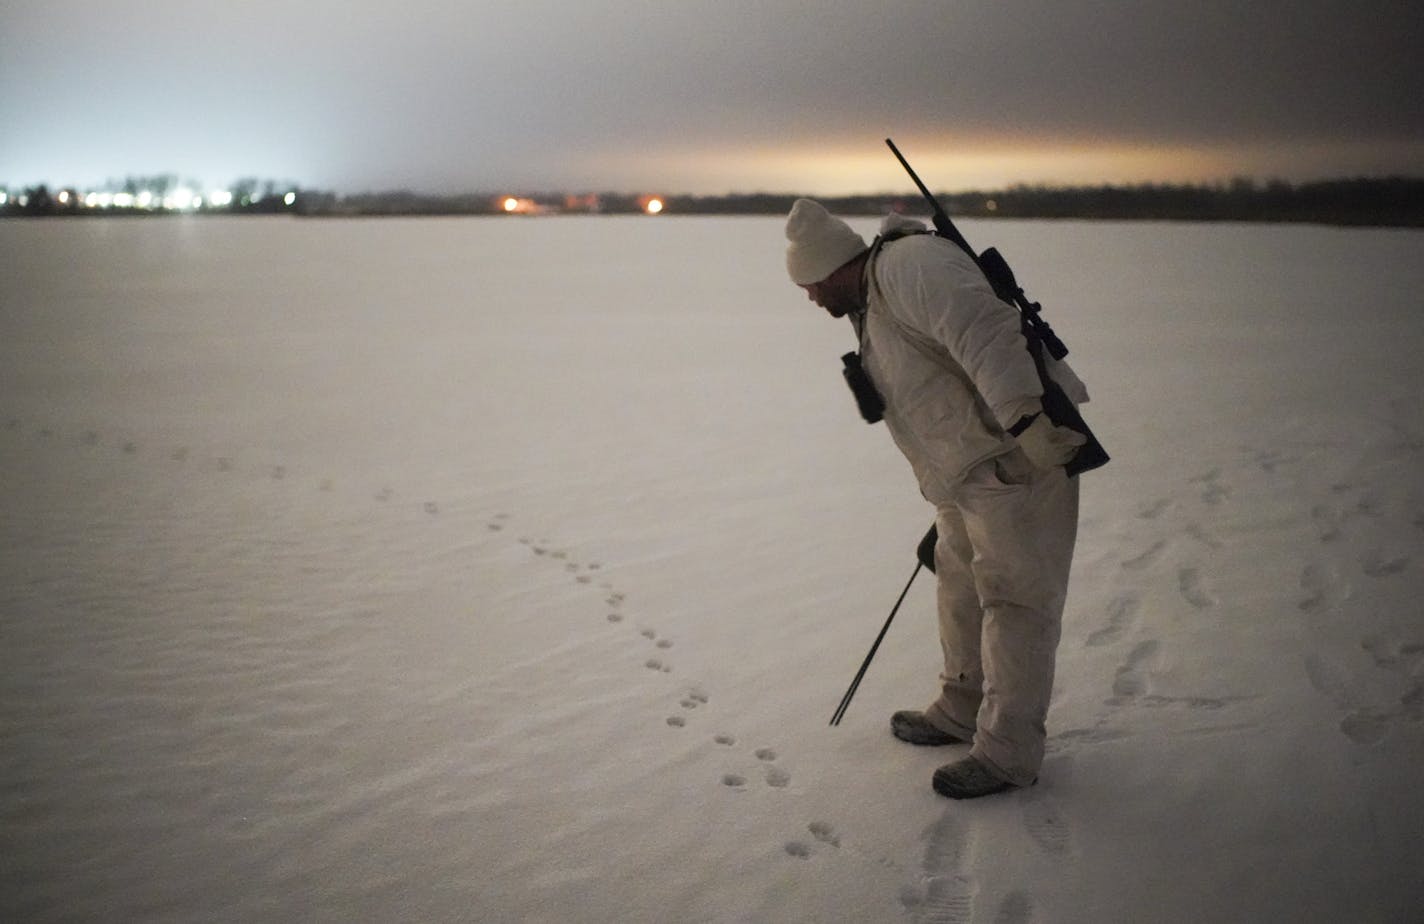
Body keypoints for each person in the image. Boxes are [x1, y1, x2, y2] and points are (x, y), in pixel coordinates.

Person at [784, 198, 1088, 799]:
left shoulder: (911, 265)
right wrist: (945, 496)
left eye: (811, 285)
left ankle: (1007, 754)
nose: (812, 300)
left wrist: (1028, 419)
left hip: (1019, 459)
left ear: (833, 266)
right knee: (958, 585)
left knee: (1015, 601)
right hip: (967, 480)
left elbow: (986, 331)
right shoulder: (873, 302)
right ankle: (961, 707)